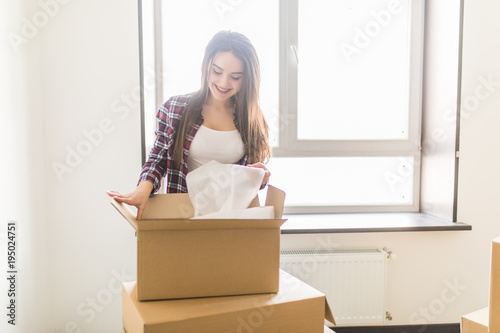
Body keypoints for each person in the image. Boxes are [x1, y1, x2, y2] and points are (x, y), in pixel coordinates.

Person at [107, 31, 271, 219]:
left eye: (235, 77)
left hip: (230, 219)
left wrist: (261, 177)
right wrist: (142, 189)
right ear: (206, 66)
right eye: (217, 71)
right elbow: (158, 159)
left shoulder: (252, 121)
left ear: (247, 78)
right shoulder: (175, 108)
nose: (224, 82)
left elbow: (249, 180)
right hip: (182, 214)